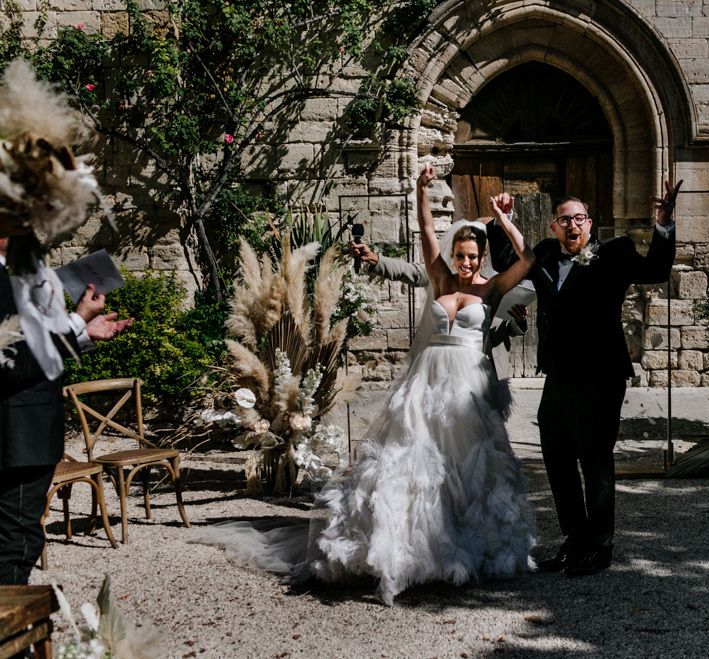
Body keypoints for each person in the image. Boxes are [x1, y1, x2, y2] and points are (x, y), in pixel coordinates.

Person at [199, 165, 537, 605]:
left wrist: (505, 219)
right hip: (426, 380)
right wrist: (420, 188)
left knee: (468, 466)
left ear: (482, 256)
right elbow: (425, 229)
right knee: (413, 458)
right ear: (453, 254)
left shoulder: (491, 288)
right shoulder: (439, 277)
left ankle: (469, 544)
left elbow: (529, 259)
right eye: (461, 255)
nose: (466, 263)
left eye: (473, 256)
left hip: (467, 385)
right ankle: (411, 548)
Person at [488, 181, 681, 576]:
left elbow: (657, 270)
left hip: (601, 376)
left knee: (595, 460)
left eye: (579, 218)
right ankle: (574, 542)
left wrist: (664, 224)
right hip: (558, 376)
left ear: (589, 224)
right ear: (554, 226)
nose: (572, 225)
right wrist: (499, 222)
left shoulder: (615, 253)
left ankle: (599, 548)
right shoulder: (542, 253)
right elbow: (509, 259)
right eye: (564, 220)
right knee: (558, 461)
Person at [0, 223, 133, 588]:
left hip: (24, 434)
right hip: (17, 438)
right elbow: (12, 363)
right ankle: (11, 638)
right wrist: (77, 319)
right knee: (16, 542)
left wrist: (82, 334)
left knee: (19, 538)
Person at [348, 205, 530, 383]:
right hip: (443, 366)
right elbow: (410, 271)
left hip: (487, 365)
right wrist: (375, 259)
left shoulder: (499, 281)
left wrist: (518, 321)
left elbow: (508, 329)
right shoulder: (445, 276)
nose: (466, 260)